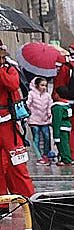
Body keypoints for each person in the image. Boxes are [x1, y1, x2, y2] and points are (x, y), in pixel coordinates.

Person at [0, 48, 33, 199]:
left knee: (18, 164)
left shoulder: (9, 70)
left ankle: (28, 199)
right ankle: (2, 203)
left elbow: (12, 85)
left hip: (8, 123)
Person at [26, 75, 53, 164]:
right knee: (36, 138)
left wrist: (49, 113)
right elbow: (28, 104)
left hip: (45, 120)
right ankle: (39, 156)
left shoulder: (47, 95)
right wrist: (28, 114)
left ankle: (45, 154)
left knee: (47, 137)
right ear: (36, 85)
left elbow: (50, 105)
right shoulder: (31, 94)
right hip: (34, 119)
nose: (44, 87)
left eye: (45, 85)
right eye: (42, 85)